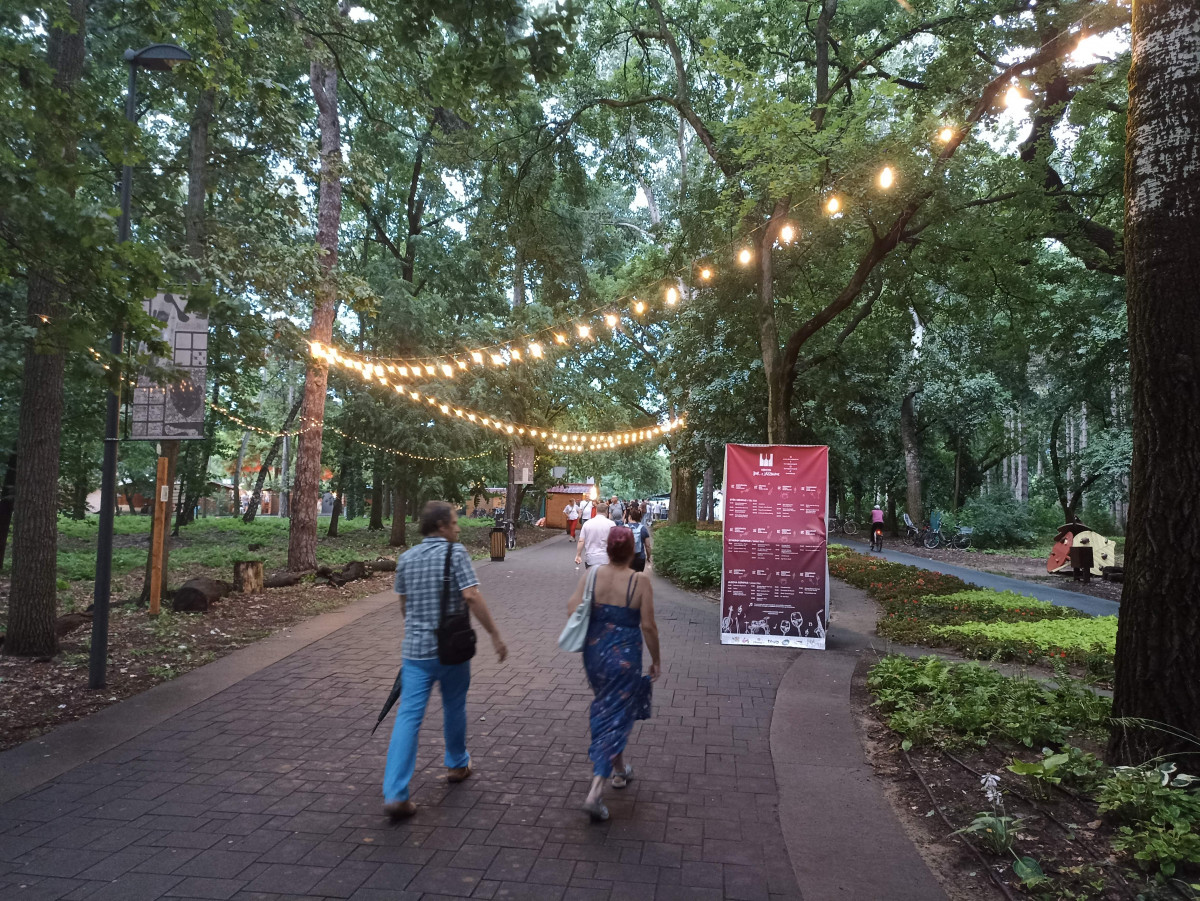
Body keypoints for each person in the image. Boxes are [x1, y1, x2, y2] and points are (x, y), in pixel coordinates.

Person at [383, 501, 508, 820]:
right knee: (454, 704)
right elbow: (471, 595)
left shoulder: (406, 558)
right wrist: (494, 634)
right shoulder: (456, 553)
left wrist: (417, 631)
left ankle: (395, 792)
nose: (458, 527)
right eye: (454, 522)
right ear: (441, 526)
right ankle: (456, 764)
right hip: (452, 649)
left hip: (416, 652)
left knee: (408, 716)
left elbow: (403, 605)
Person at [566, 527, 661, 822]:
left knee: (610, 710)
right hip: (625, 658)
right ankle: (596, 791)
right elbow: (648, 626)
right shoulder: (639, 581)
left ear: (608, 549)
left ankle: (620, 771)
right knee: (616, 714)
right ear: (632, 550)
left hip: (595, 655)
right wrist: (656, 659)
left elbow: (572, 609)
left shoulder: (592, 575)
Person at [575, 502, 614, 568]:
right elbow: (614, 542)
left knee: (591, 574)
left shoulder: (587, 523)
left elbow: (581, 541)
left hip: (591, 558)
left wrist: (578, 555)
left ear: (596, 510)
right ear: (606, 511)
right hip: (606, 558)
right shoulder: (611, 524)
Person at [628, 505, 653, 572]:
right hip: (640, 557)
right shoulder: (643, 528)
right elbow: (647, 546)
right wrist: (648, 556)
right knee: (638, 575)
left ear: (630, 517)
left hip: (626, 558)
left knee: (627, 576)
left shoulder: (624, 528)